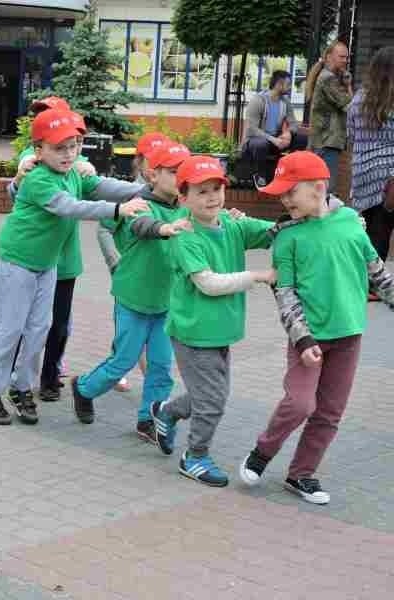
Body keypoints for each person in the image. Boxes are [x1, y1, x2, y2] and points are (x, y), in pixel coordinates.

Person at [239, 151, 394, 504]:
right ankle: (262, 452)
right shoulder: (288, 237)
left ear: (318, 187)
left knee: (329, 412)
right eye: (282, 193)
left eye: (290, 191)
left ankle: (301, 474)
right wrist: (303, 336)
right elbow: (285, 291)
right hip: (307, 338)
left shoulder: (352, 225)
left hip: (349, 335)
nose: (284, 199)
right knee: (300, 404)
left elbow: (377, 272)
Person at [0, 109, 147, 426]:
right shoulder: (38, 178)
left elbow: (103, 185)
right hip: (17, 262)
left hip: (46, 264)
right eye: (59, 148)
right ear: (38, 150)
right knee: (8, 329)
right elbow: (71, 207)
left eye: (74, 145)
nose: (69, 153)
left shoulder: (73, 173)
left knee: (39, 330)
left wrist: (145, 191)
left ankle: (22, 387)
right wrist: (120, 209)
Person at [150, 156, 277, 487]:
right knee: (212, 401)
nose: (212, 197)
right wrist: (259, 275)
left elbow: (276, 233)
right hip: (193, 332)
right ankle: (194, 456)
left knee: (210, 396)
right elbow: (208, 283)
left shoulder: (231, 223)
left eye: (217, 189)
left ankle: (167, 411)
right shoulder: (184, 233)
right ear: (184, 197)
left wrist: (331, 221)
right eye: (202, 191)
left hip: (220, 330)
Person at [72, 142, 192, 435]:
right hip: (133, 300)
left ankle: (148, 420)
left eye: (185, 173)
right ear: (152, 175)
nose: (181, 178)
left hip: (165, 305)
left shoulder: (186, 208)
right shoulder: (138, 203)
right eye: (174, 172)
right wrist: (164, 229)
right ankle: (83, 388)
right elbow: (141, 225)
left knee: (161, 368)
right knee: (122, 362)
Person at [8, 98, 96, 404]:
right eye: (39, 115)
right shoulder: (33, 157)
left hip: (65, 260)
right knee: (28, 322)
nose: (43, 119)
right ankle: (19, 376)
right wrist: (19, 178)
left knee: (58, 324)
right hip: (34, 258)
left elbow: (92, 186)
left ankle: (49, 376)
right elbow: (19, 194)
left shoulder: (75, 160)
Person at [95, 132, 167, 392]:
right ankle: (122, 370)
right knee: (128, 327)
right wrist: (115, 261)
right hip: (129, 273)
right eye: (152, 161)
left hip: (157, 277)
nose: (157, 167)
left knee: (149, 331)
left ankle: (132, 372)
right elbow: (104, 229)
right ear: (139, 163)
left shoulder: (170, 194)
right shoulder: (128, 193)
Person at [347, 46, 394, 264]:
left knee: (366, 228)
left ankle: (364, 278)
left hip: (361, 171)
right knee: (382, 228)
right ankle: (375, 281)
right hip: (388, 175)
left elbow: (351, 134)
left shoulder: (358, 99)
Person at [242, 70, 308, 188]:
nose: (290, 88)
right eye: (288, 85)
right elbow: (252, 129)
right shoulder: (258, 100)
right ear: (279, 84)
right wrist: (273, 139)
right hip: (255, 141)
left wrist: (288, 133)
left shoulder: (285, 102)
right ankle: (260, 176)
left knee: (302, 139)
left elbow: (293, 123)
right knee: (260, 143)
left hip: (275, 141)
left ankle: (290, 172)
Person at [305, 41, 353, 191]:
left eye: (347, 57)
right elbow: (350, 105)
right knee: (326, 188)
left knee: (318, 186)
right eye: (342, 57)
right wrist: (349, 85)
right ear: (329, 57)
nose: (345, 60)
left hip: (323, 140)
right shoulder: (328, 79)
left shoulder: (327, 76)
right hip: (327, 140)